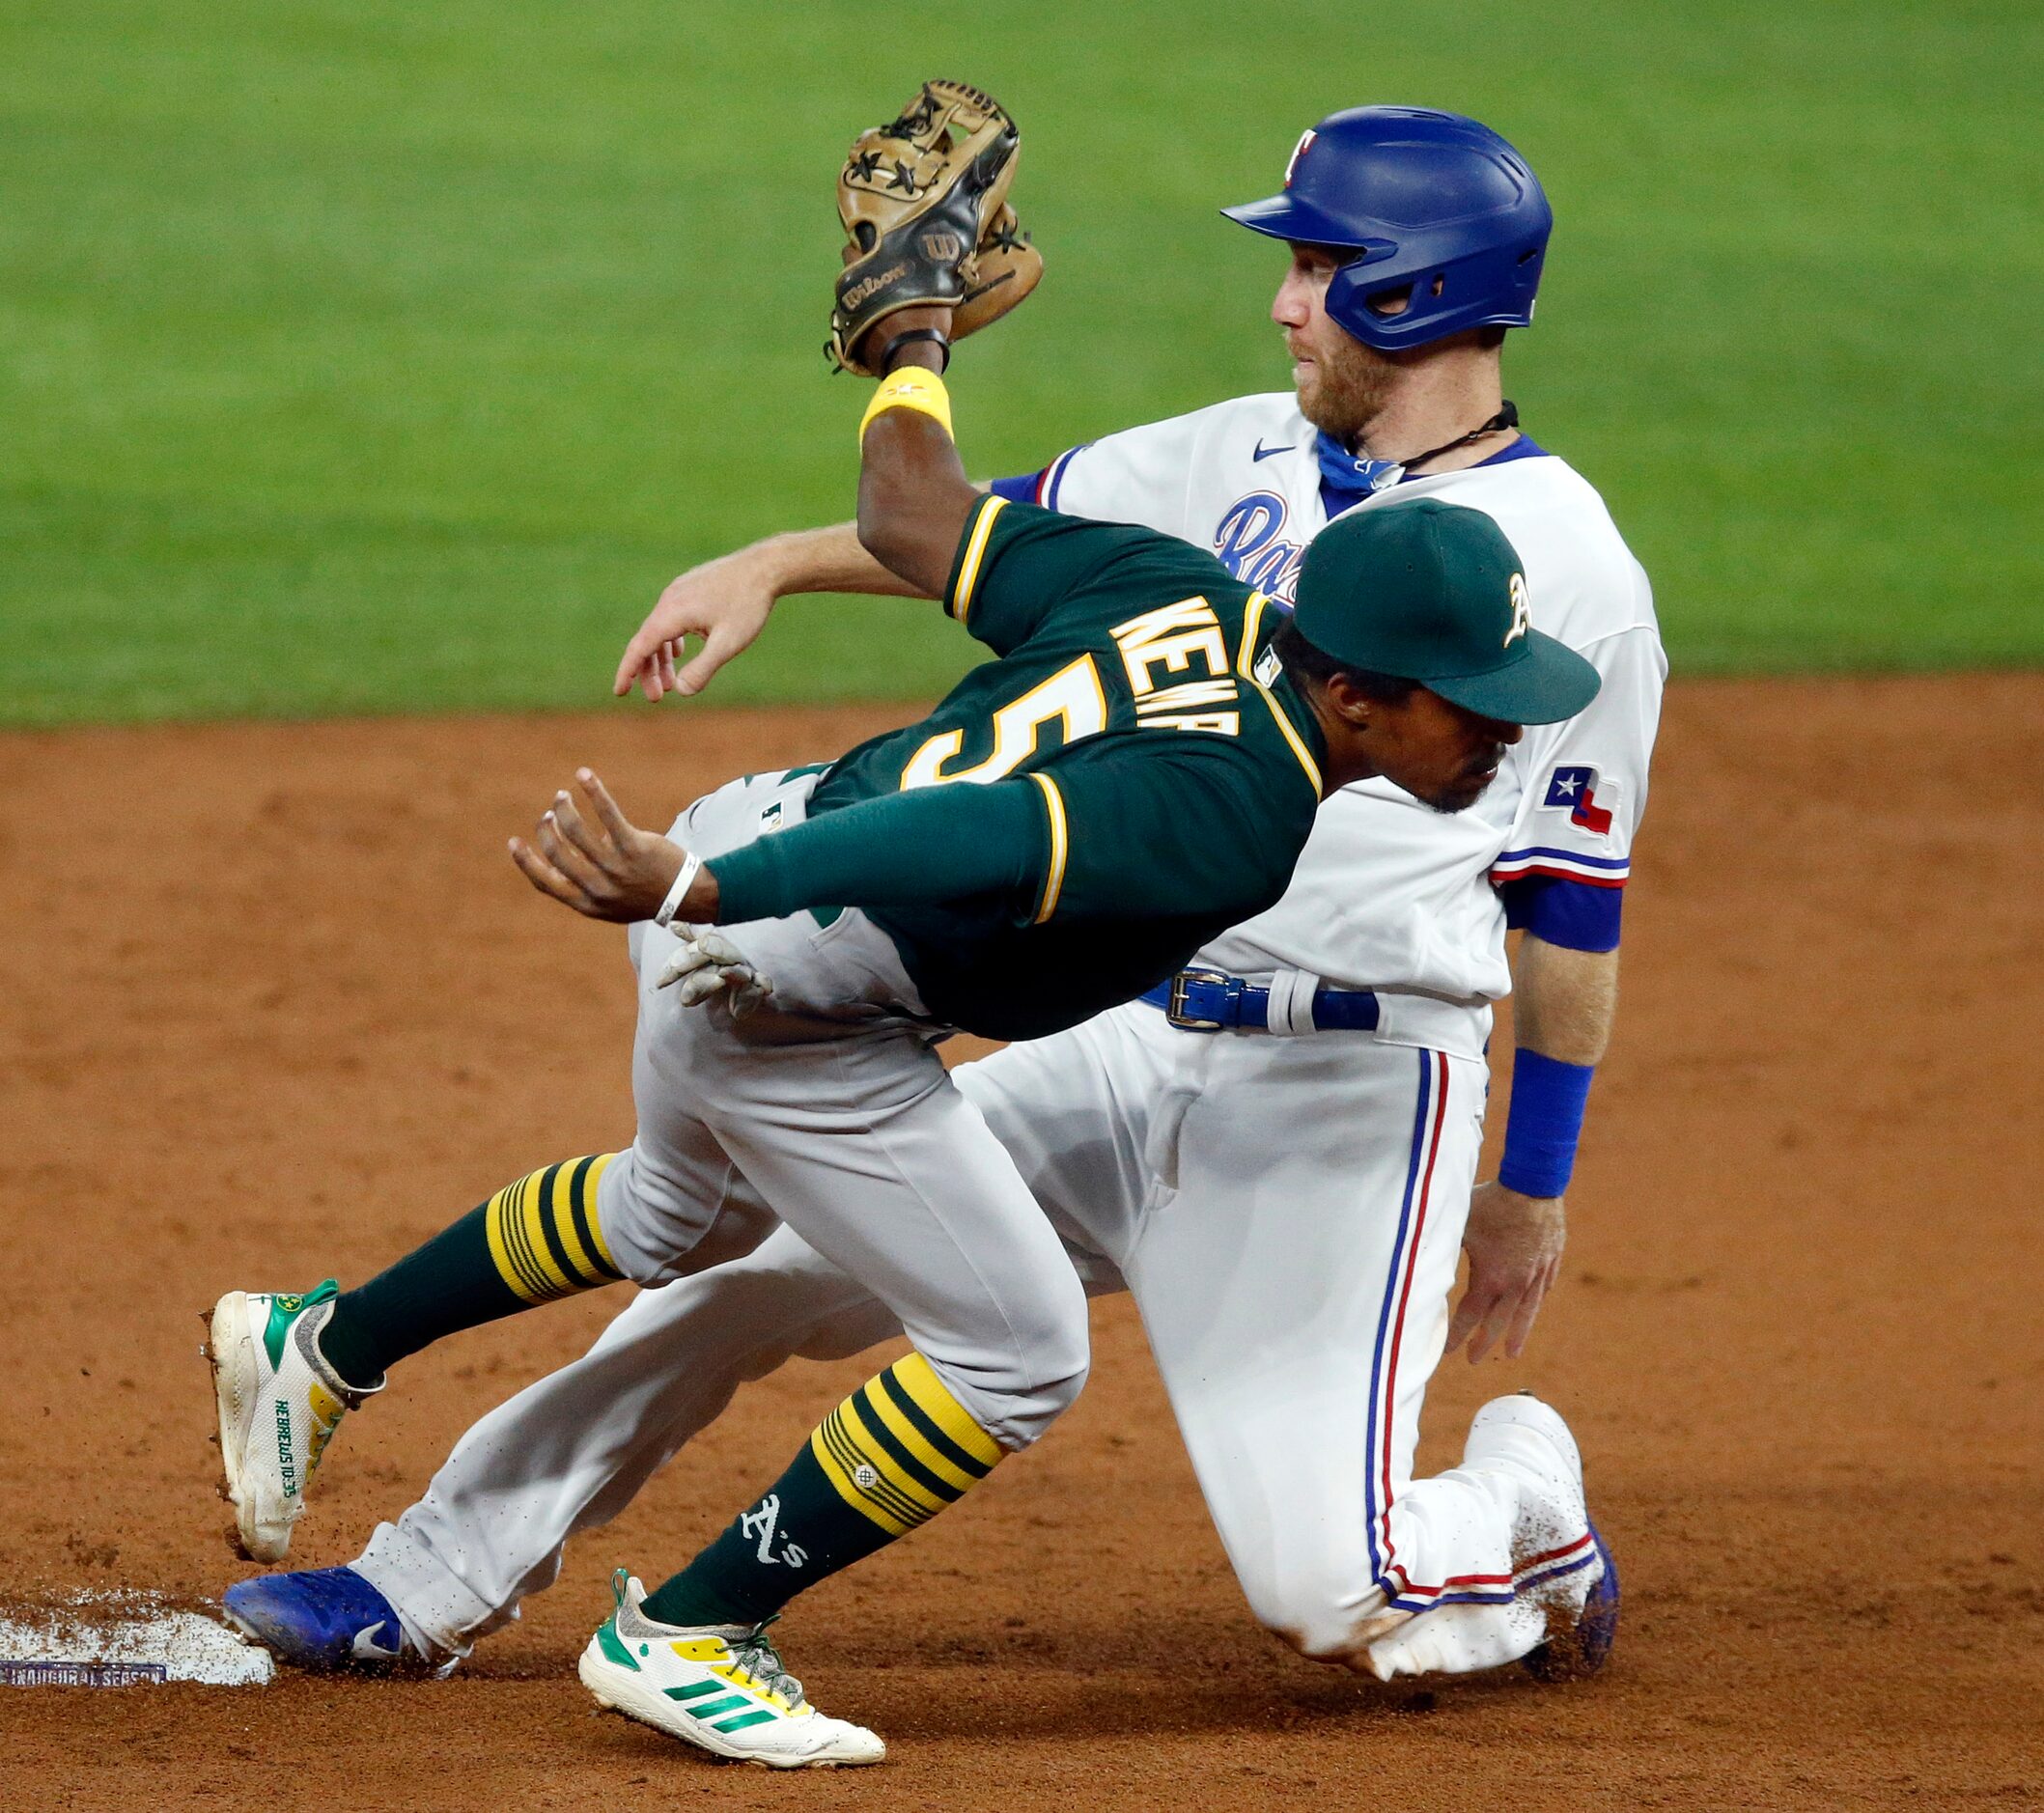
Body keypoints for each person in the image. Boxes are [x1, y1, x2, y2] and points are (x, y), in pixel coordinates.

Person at [206, 135, 1601, 1764]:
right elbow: (971, 841)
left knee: (680, 1214)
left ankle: (320, 1343)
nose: (1498, 741)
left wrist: (915, 340)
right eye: (1473, 708)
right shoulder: (1239, 809)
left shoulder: (1183, 592)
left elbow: (914, 506)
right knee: (1013, 1348)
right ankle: (686, 1626)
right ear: (1355, 691)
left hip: (779, 865)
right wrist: (712, 894)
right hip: (789, 965)